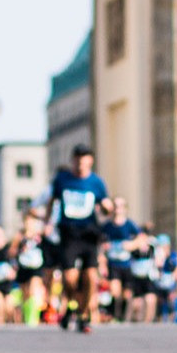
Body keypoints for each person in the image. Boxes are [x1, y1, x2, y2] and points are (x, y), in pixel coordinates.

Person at [46, 143, 109, 333]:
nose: (80, 165)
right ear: (72, 161)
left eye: (84, 162)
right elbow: (52, 201)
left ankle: (82, 315)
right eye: (77, 161)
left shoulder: (96, 183)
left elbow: (104, 204)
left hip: (89, 234)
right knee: (69, 278)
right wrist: (48, 222)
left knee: (90, 276)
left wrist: (108, 207)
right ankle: (73, 306)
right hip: (69, 233)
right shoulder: (62, 180)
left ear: (90, 162)